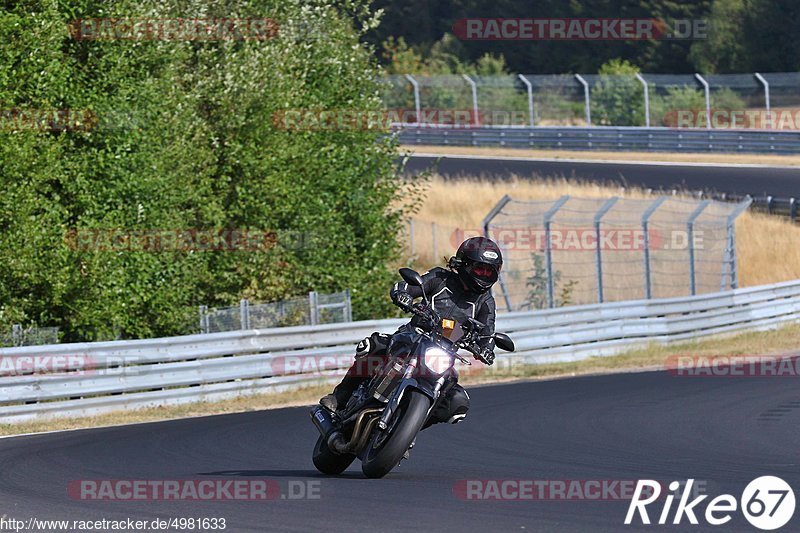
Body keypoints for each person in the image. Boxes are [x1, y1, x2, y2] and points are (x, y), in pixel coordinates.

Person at [319, 236, 503, 426]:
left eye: (489, 271)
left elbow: (488, 332)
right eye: (480, 268)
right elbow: (409, 286)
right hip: (414, 335)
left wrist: (486, 349)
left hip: (444, 352)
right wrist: (403, 294)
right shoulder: (440, 278)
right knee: (375, 346)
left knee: (456, 400)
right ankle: (339, 397)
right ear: (464, 264)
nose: (484, 275)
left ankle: (407, 427)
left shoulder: (485, 301)